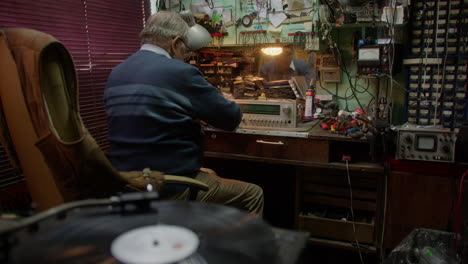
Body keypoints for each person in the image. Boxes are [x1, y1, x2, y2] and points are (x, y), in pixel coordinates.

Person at [104, 11, 264, 216]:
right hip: (168, 185)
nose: (186, 58)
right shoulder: (179, 72)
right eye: (185, 52)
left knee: (211, 173)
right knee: (253, 194)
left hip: (128, 184)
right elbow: (231, 117)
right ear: (175, 43)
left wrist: (186, 113)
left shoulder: (116, 72)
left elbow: (148, 117)